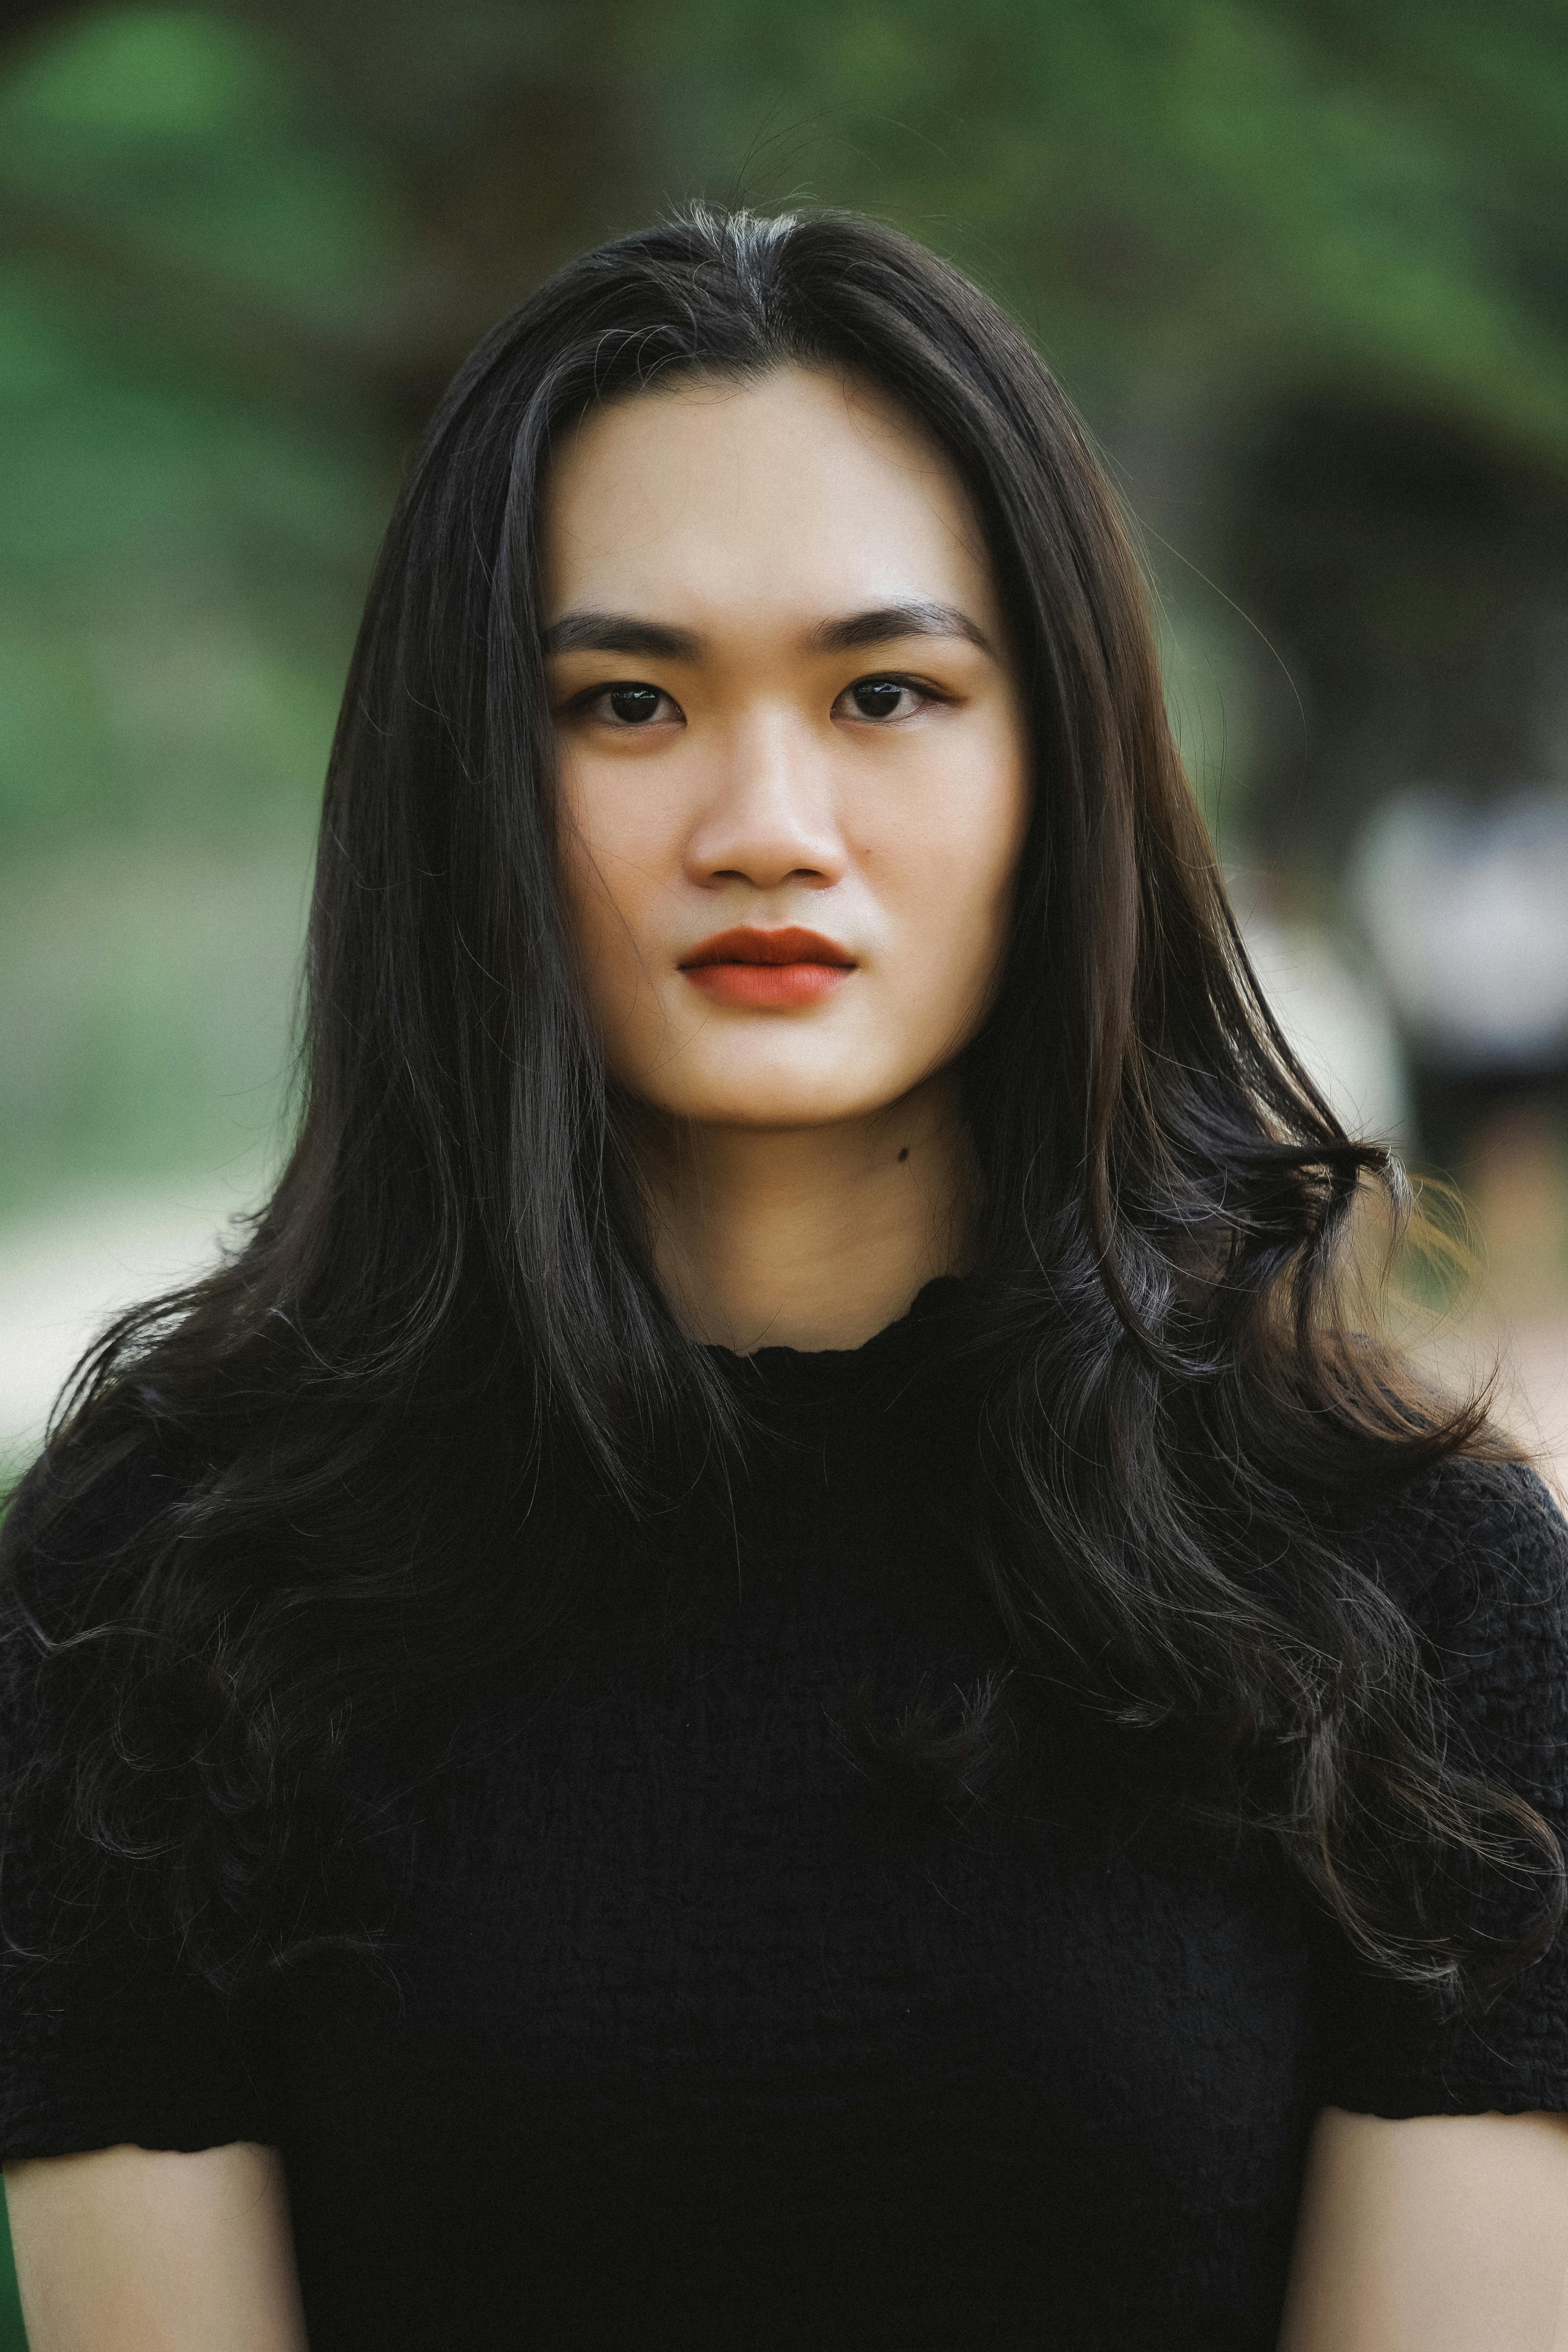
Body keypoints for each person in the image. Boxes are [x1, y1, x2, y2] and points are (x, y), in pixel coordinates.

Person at [2, 206, 1566, 2352]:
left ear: (1063, 768)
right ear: (467, 779)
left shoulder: (1414, 1588)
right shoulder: (151, 1589)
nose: (765, 820)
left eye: (890, 691)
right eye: (626, 700)